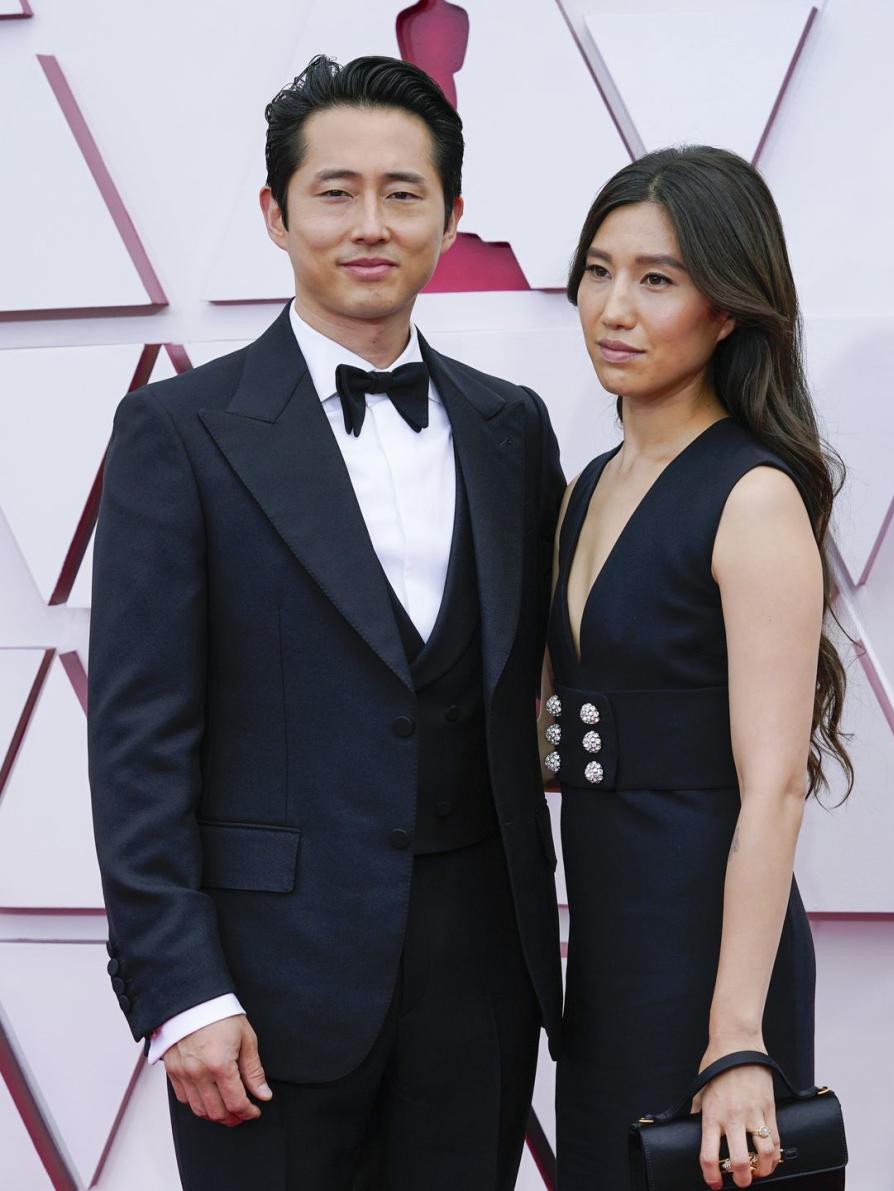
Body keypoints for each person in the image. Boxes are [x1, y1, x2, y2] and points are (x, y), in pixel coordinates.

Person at [88, 53, 565, 1191]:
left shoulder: (513, 430)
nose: (370, 224)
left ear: (451, 219)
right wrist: (182, 993)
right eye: (334, 190)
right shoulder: (179, 432)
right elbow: (138, 740)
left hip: (481, 983)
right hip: (259, 995)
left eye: (404, 194)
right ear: (276, 212)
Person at [541, 146, 852, 1190]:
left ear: (727, 310)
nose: (614, 307)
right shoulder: (588, 486)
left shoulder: (752, 495)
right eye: (598, 270)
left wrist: (736, 1040)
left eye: (657, 279)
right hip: (607, 962)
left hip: (714, 969)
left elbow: (773, 787)